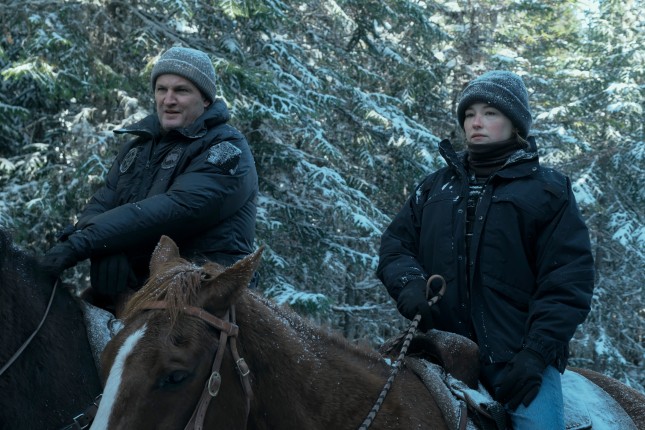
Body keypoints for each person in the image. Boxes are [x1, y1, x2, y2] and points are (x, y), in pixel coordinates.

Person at [377, 70, 594, 429]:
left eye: (490, 112)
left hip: (516, 359)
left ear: (515, 123)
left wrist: (536, 352)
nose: (476, 122)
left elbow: (568, 279)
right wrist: (409, 284)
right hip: (438, 350)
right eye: (469, 114)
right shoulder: (433, 188)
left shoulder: (548, 191)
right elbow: (396, 245)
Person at [41, 46, 259, 313]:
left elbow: (178, 210)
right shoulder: (137, 149)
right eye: (161, 89)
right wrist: (108, 249)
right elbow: (101, 204)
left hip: (206, 292)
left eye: (181, 90)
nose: (168, 100)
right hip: (142, 290)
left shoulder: (227, 149)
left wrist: (83, 243)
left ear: (205, 100)